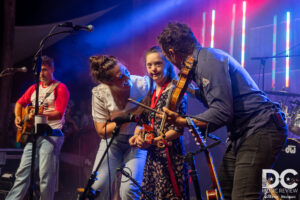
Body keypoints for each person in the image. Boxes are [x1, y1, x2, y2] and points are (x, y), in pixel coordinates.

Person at [156, 22, 288, 200]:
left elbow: (222, 111)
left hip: (261, 128)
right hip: (242, 134)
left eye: (166, 56)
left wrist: (182, 121)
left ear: (172, 53)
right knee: (222, 193)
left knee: (243, 196)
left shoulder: (208, 61)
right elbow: (219, 100)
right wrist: (191, 91)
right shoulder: (201, 62)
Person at [6, 55, 70, 200]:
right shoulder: (33, 88)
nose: (42, 73)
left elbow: (59, 114)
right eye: (40, 71)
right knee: (22, 173)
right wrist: (17, 116)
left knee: (45, 176)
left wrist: (38, 113)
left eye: (45, 70)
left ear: (52, 69)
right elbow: (19, 103)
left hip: (51, 135)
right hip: (33, 135)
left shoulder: (60, 88)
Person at [129, 46, 189, 200]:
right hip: (153, 156)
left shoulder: (175, 92)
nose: (153, 69)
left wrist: (156, 141)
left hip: (171, 155)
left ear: (167, 64)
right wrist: (137, 137)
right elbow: (143, 122)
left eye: (158, 64)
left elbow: (178, 129)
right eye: (149, 65)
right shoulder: (150, 92)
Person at [89, 55, 149, 199]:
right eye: (120, 77)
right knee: (97, 187)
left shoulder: (142, 85)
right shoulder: (100, 93)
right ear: (108, 83)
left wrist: (117, 119)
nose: (127, 78)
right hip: (112, 141)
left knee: (129, 189)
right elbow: (102, 131)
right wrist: (132, 114)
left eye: (126, 71)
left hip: (136, 141)